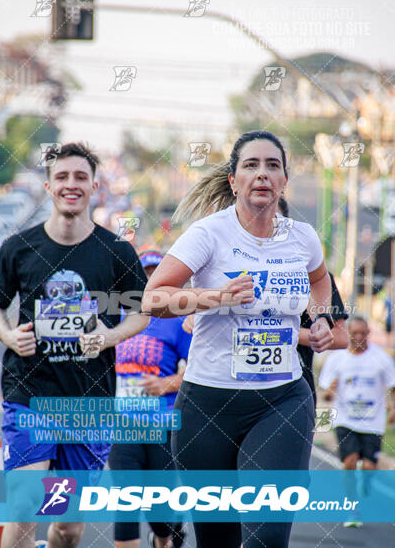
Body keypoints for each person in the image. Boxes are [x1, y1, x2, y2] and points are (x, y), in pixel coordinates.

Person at [142, 130, 337, 548]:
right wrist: (214, 297)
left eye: (272, 166)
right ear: (233, 180)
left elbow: (321, 282)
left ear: (285, 180)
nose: (262, 174)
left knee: (266, 537)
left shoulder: (302, 238)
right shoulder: (208, 235)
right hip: (207, 406)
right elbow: (153, 299)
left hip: (282, 399)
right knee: (219, 541)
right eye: (251, 165)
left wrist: (320, 319)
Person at [0, 143, 149, 548]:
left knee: (67, 526)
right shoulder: (19, 248)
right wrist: (8, 335)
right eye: (62, 177)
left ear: (95, 186)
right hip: (30, 393)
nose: (71, 184)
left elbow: (142, 313)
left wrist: (109, 336)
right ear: (48, 186)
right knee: (26, 504)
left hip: (88, 402)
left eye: (80, 177)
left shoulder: (116, 251)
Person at [108, 247, 191, 548]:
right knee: (126, 499)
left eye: (159, 274)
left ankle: (165, 536)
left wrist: (166, 383)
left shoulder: (178, 321)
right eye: (146, 275)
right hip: (122, 424)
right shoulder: (117, 317)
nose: (152, 280)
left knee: (160, 509)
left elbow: (199, 372)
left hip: (163, 425)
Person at [319, 315, 395, 527]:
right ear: (349, 334)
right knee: (349, 462)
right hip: (345, 419)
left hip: (373, 421)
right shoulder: (337, 358)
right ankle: (353, 509)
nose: (359, 337)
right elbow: (325, 393)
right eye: (355, 334)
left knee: (369, 467)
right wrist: (330, 392)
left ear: (368, 333)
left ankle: (367, 479)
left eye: (363, 333)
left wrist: (393, 408)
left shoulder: (381, 357)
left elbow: (392, 386)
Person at [277, 197, 349, 408]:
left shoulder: (316, 279)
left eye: (276, 221)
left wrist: (284, 333)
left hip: (294, 390)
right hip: (235, 392)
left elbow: (341, 338)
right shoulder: (234, 272)